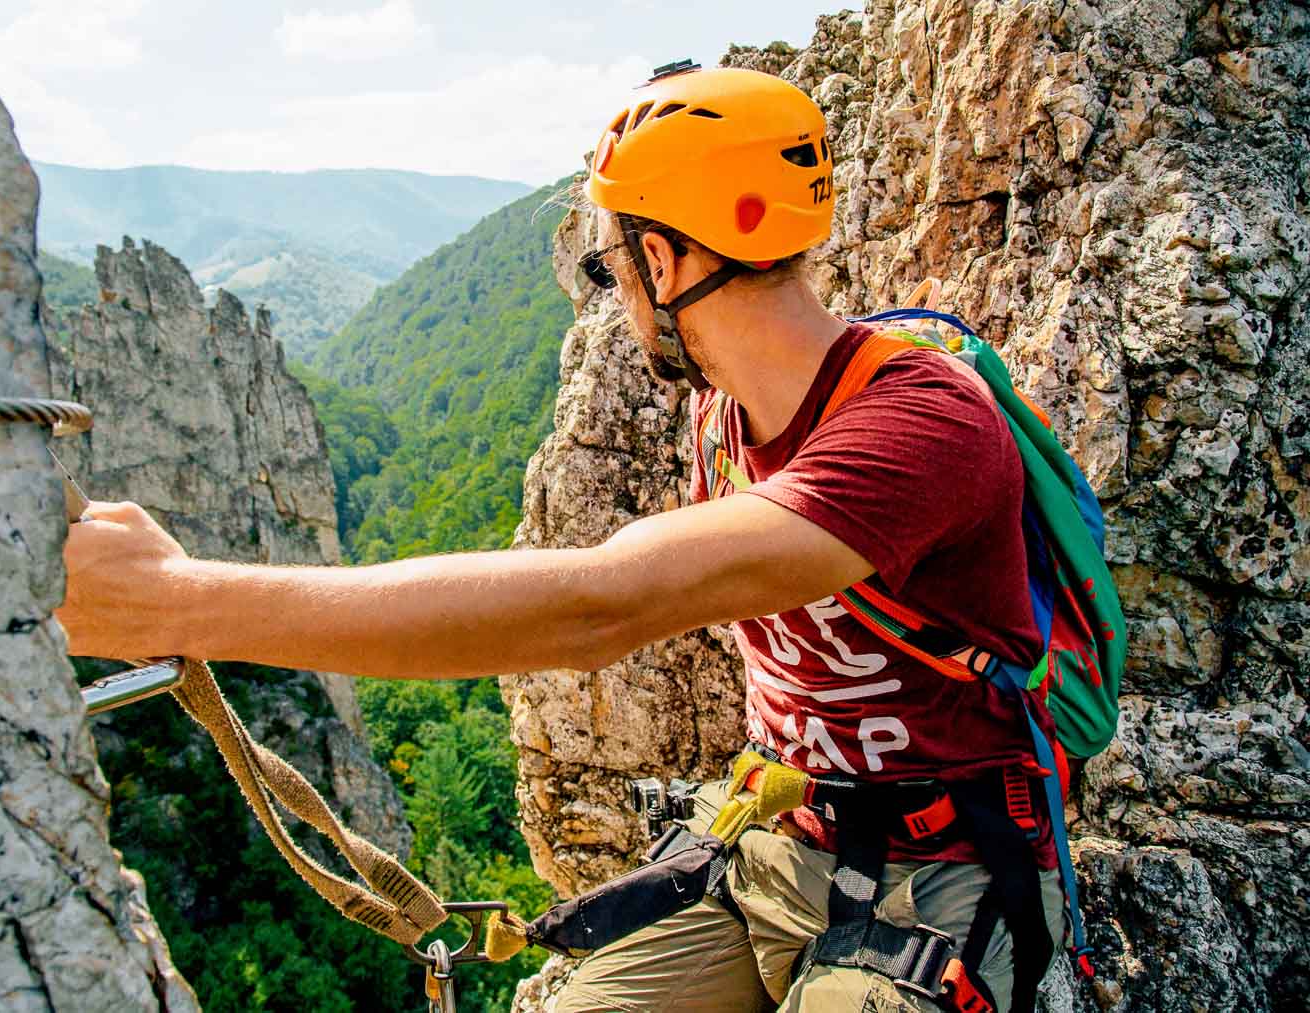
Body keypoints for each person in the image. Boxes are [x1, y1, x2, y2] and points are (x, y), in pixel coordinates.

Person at [59, 65, 1064, 1013]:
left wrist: (172, 597)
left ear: (662, 261)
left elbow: (597, 603)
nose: (616, 296)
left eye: (609, 265)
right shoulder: (723, 416)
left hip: (941, 876)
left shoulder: (924, 426)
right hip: (777, 846)